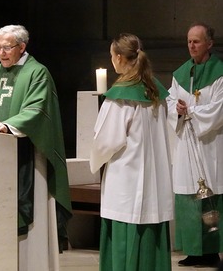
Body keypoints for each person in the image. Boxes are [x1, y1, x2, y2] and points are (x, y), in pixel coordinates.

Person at [0, 24, 72, 271]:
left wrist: (7, 125)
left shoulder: (38, 73)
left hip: (29, 155)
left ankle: (31, 265)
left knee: (30, 219)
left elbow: (37, 109)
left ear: (22, 47)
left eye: (7, 47)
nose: (2, 53)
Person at [90, 33, 174, 271]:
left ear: (118, 58)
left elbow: (106, 142)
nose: (111, 60)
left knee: (125, 239)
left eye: (111, 56)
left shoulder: (120, 98)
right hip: (153, 182)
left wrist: (95, 160)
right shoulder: (154, 90)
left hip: (125, 181)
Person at [167, 21, 223, 267]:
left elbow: (219, 108)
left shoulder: (219, 72)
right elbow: (170, 102)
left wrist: (191, 111)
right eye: (189, 40)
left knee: (212, 193)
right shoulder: (180, 74)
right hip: (187, 142)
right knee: (188, 194)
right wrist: (178, 110)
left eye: (196, 41)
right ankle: (193, 251)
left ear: (209, 44)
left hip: (211, 143)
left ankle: (212, 251)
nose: (191, 45)